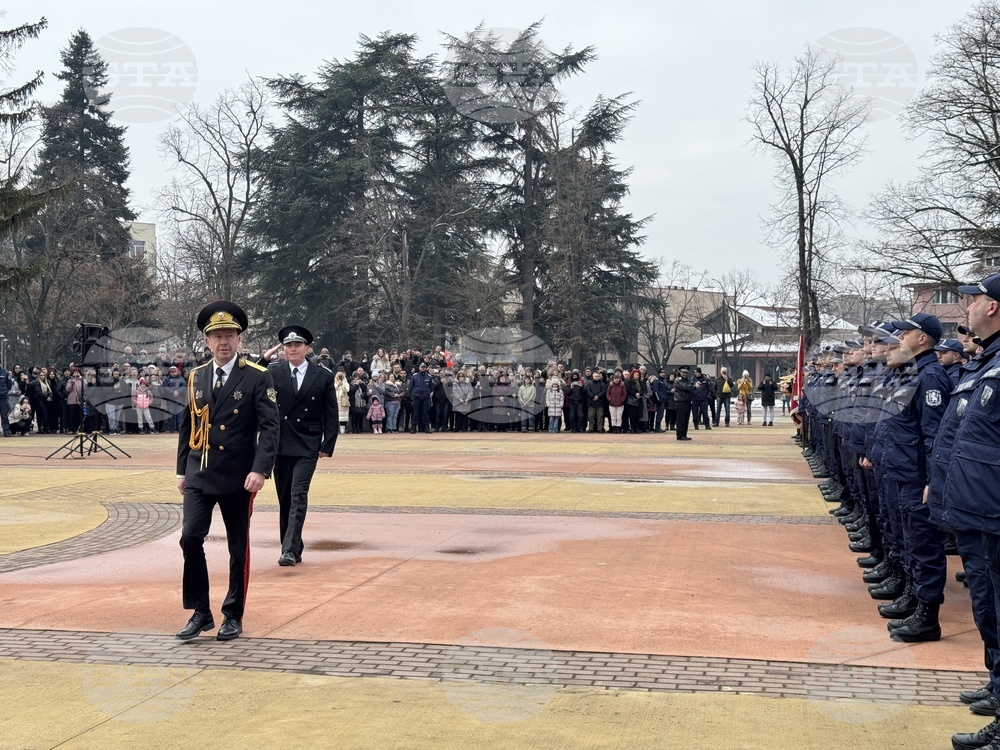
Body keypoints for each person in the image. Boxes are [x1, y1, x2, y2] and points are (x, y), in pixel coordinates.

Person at [175, 300, 279, 642]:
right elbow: (188, 424)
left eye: (230, 335)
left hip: (238, 476)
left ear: (239, 340)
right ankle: (200, 611)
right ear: (207, 341)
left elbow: (270, 427)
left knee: (238, 548)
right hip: (200, 473)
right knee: (190, 536)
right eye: (217, 335)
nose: (224, 341)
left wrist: (260, 470)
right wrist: (181, 470)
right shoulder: (196, 377)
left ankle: (232, 614)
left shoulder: (256, 377)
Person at [263, 325, 338, 568]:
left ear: (307, 348)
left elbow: (330, 413)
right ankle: (295, 546)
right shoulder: (272, 371)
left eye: (297, 345)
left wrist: (328, 443)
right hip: (281, 443)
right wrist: (262, 359)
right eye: (288, 345)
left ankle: (287, 549)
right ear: (282, 349)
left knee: (298, 494)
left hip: (307, 444)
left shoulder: (323, 375)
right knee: (284, 498)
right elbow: (247, 377)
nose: (293, 349)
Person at [672, 367, 693, 440]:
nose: (685, 374)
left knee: (686, 419)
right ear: (680, 373)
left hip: (687, 401)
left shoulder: (687, 380)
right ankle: (680, 435)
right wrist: (694, 386)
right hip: (680, 401)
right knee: (681, 419)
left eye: (686, 373)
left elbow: (690, 386)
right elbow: (686, 387)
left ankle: (684, 434)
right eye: (683, 372)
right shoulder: (678, 380)